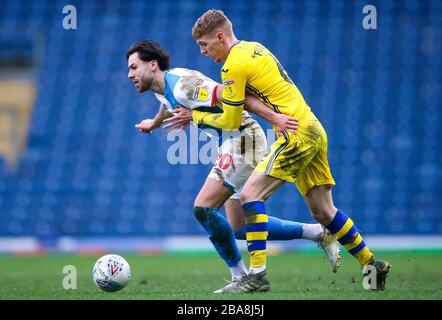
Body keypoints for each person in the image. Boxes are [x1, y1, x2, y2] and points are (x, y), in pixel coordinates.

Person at [177, 9, 391, 293]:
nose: (203, 51)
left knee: (251, 195)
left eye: (204, 44)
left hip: (295, 134)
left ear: (219, 37)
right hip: (313, 127)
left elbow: (229, 120)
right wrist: (272, 117)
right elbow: (256, 97)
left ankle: (257, 274)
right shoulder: (254, 48)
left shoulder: (231, 67)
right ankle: (371, 263)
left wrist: (195, 117)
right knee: (323, 212)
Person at [125, 40, 341, 293]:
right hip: (233, 141)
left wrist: (273, 117)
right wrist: (154, 122)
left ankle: (242, 277)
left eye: (133, 67)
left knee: (203, 207)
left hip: (243, 139)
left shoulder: (184, 86)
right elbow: (166, 104)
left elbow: (232, 96)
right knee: (239, 229)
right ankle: (318, 233)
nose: (130, 74)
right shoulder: (164, 87)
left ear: (152, 65)